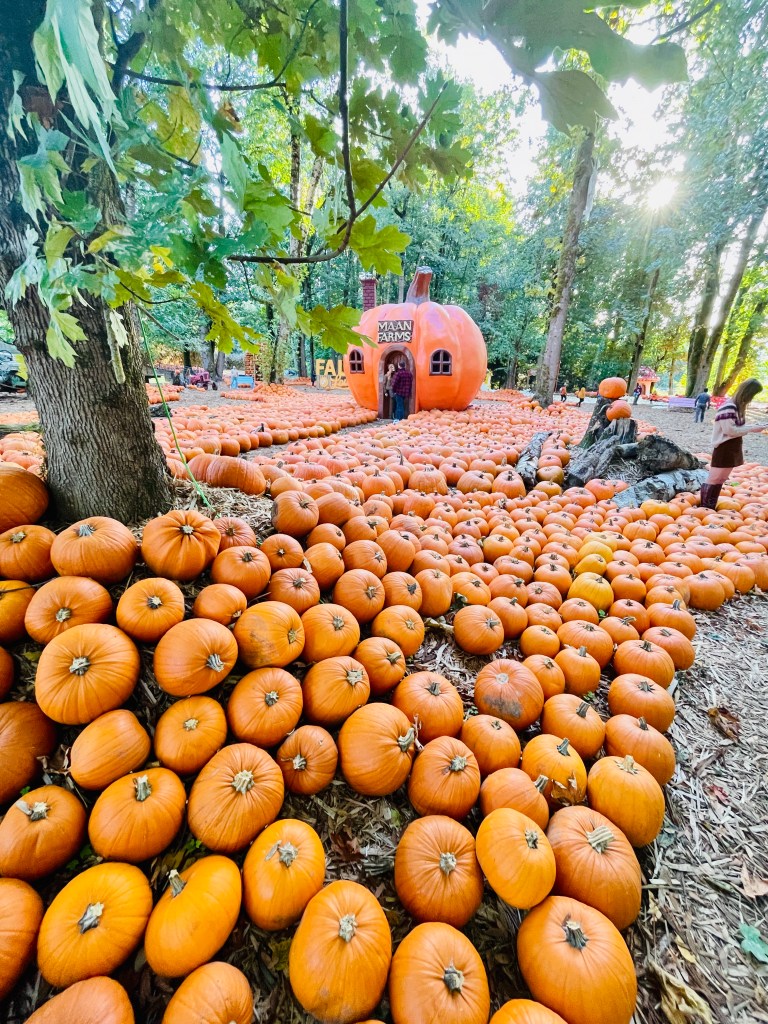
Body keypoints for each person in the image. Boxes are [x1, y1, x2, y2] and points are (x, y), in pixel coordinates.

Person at [700, 378, 768, 509]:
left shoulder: (737, 407)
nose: (752, 398)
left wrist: (755, 425)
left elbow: (736, 427)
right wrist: (753, 428)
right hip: (724, 446)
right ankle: (705, 508)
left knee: (721, 479)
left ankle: (710, 506)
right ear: (747, 393)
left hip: (733, 446)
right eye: (752, 395)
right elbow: (730, 430)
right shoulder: (729, 407)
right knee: (714, 478)